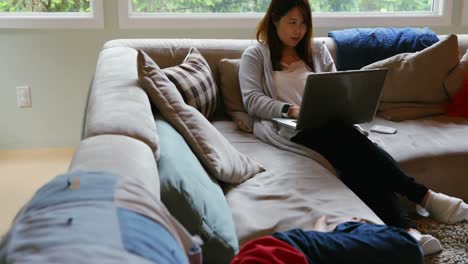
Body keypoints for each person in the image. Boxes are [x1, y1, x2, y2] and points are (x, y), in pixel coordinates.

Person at [239, 0, 468, 257]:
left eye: (303, 23)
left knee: (358, 167)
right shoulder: (255, 55)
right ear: (274, 20)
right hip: (291, 129)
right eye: (292, 22)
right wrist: (290, 110)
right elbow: (252, 100)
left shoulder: (317, 52)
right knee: (347, 140)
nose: (298, 30)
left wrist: (346, 103)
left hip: (330, 125)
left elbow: (337, 86)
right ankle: (424, 197)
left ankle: (409, 233)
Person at [231, 216, 424, 264]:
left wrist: (288, 111)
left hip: (291, 250)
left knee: (408, 247)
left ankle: (346, 227)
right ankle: (330, 234)